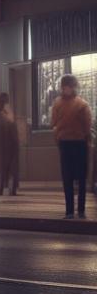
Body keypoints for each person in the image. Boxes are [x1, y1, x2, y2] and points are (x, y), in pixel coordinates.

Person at [51, 74, 92, 219]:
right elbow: (87, 126)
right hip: (79, 143)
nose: (66, 89)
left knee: (68, 178)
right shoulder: (82, 104)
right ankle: (80, 210)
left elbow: (53, 123)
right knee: (80, 178)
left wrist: (58, 136)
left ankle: (70, 211)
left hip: (66, 143)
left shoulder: (57, 104)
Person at [0, 93, 19, 196]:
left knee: (3, 169)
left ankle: (2, 189)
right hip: (6, 146)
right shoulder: (4, 114)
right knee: (7, 169)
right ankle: (7, 189)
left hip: (2, 146)